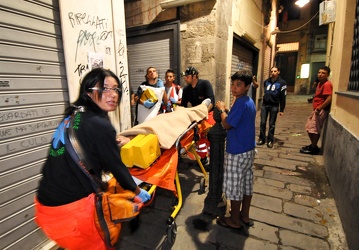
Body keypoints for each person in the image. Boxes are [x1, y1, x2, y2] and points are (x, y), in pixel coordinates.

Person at [34, 68, 151, 250]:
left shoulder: (73, 115)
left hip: (44, 207)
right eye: (105, 89)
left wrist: (110, 143)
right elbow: (118, 168)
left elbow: (80, 142)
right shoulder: (100, 124)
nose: (113, 95)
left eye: (116, 90)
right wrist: (137, 191)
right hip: (71, 214)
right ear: (89, 91)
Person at [215, 70, 256, 235]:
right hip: (248, 150)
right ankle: (244, 215)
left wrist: (222, 109)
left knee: (234, 187)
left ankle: (234, 220)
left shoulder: (240, 103)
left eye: (239, 85)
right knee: (246, 185)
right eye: (233, 84)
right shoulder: (249, 101)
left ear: (247, 86)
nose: (234, 87)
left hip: (237, 151)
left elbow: (227, 125)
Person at [180, 66, 215, 167]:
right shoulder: (186, 89)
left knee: (209, 136)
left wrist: (203, 114)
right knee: (198, 137)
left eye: (187, 76)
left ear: (194, 76)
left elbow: (211, 101)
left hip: (208, 113)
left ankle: (212, 159)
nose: (185, 78)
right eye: (185, 76)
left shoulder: (205, 84)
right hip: (196, 115)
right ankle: (203, 157)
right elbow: (183, 105)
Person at [300, 66, 332, 155]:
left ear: (327, 75)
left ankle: (313, 148)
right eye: (319, 72)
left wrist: (320, 108)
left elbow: (329, 98)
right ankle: (313, 145)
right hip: (316, 109)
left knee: (314, 129)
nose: (320, 75)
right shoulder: (319, 83)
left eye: (323, 73)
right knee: (310, 127)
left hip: (320, 111)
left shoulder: (327, 84)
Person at [258, 66, 287, 148]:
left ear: (278, 72)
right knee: (262, 123)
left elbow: (283, 97)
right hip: (265, 105)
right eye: (272, 71)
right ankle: (262, 139)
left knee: (272, 124)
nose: (273, 73)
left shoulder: (282, 83)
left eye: (275, 71)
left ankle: (270, 140)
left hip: (274, 106)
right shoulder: (267, 81)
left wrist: (281, 109)